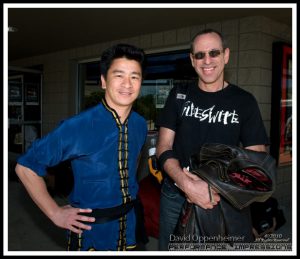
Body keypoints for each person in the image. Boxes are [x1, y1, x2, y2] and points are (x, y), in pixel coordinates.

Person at [15, 43, 148, 251]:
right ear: (104, 81)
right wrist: (54, 212)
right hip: (91, 232)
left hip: (130, 223)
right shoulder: (77, 126)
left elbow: (135, 161)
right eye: (119, 75)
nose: (127, 84)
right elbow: (25, 167)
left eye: (135, 76)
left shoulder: (140, 124)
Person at [156, 29, 269, 250]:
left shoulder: (244, 101)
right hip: (175, 195)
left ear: (226, 56)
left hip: (223, 198)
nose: (206, 60)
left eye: (214, 53)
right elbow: (163, 147)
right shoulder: (179, 94)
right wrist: (187, 183)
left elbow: (257, 160)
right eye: (199, 55)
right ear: (192, 60)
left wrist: (214, 189)